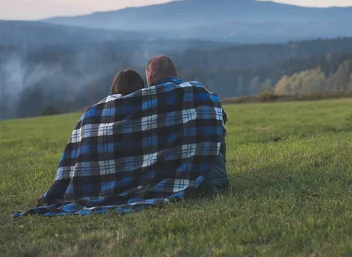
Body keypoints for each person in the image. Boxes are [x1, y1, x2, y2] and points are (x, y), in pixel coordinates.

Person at [15, 55, 228, 216]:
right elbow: (219, 117)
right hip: (196, 173)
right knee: (215, 128)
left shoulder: (93, 113)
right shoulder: (193, 92)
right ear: (176, 74)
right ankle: (214, 177)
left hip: (101, 184)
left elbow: (75, 154)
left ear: (150, 77)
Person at [145, 56, 229, 195]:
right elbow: (222, 120)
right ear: (176, 74)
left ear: (150, 78)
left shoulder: (145, 102)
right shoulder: (203, 93)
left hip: (163, 184)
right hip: (211, 182)